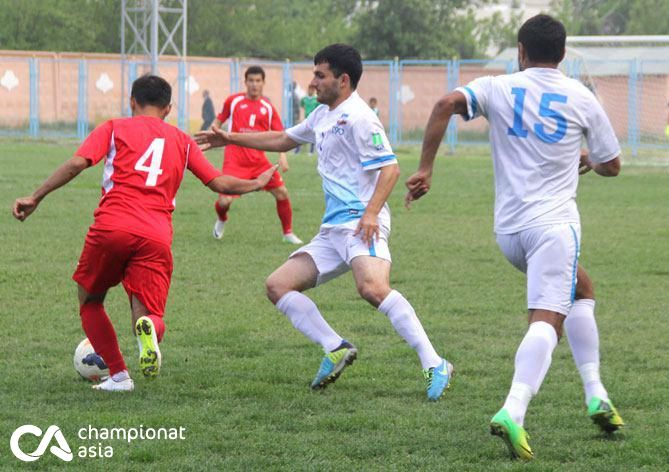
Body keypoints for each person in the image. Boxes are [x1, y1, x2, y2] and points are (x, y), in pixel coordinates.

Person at [405, 14, 624, 459]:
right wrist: (588, 159)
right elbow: (613, 165)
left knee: (582, 287)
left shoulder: (496, 87)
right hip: (554, 227)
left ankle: (596, 392)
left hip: (509, 230)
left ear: (520, 51)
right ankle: (513, 409)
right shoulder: (581, 96)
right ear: (563, 55)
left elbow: (445, 103)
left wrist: (426, 167)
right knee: (548, 319)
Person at [196, 44, 453, 401]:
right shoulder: (322, 115)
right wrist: (229, 137)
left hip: (362, 223)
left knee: (373, 288)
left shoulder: (359, 117)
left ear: (343, 80)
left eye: (320, 75)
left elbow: (390, 169)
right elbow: (284, 138)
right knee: (278, 286)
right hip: (333, 229)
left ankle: (434, 361)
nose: (312, 82)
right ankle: (334, 346)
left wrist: (372, 212)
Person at [12, 75, 277, 392]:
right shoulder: (182, 140)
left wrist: (36, 196)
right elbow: (219, 184)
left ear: (132, 102)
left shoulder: (114, 127)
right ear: (168, 108)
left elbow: (76, 164)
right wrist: (256, 184)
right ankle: (150, 328)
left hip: (113, 225)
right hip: (156, 235)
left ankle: (119, 376)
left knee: (90, 300)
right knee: (147, 314)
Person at [211, 65, 302, 244]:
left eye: (258, 81)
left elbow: (280, 134)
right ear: (245, 82)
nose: (254, 84)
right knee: (224, 201)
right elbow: (219, 119)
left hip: (259, 161)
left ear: (263, 83)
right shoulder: (234, 101)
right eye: (251, 81)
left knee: (282, 193)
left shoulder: (267, 107)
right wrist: (212, 131)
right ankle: (222, 219)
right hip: (234, 160)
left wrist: (282, 156)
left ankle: (288, 233)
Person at [295, 85, 319, 154]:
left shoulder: (316, 99)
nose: (310, 91)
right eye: (309, 89)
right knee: (300, 134)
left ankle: (311, 151)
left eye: (312, 90)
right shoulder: (304, 99)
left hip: (314, 121)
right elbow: (302, 105)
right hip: (306, 119)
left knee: (313, 135)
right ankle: (297, 151)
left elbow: (318, 108)